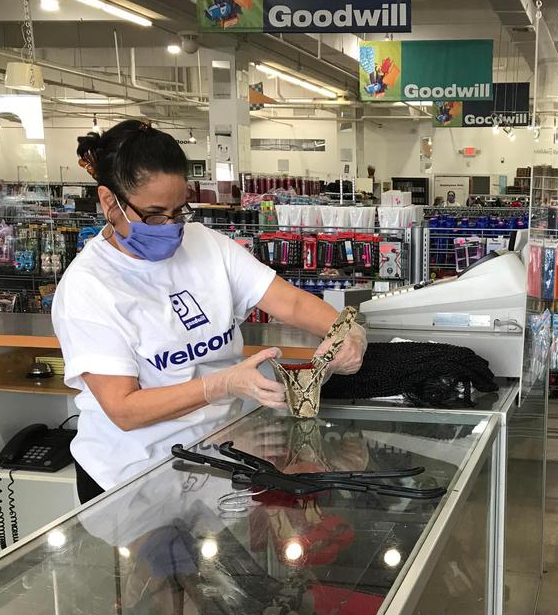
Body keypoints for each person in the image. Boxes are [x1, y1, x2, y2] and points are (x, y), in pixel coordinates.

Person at [53, 120, 366, 502]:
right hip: (132, 480)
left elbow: (291, 301)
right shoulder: (89, 287)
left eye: (178, 211)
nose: (170, 227)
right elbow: (124, 409)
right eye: (153, 215)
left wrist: (345, 329)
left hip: (220, 460)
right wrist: (221, 385)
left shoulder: (206, 245)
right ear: (108, 202)